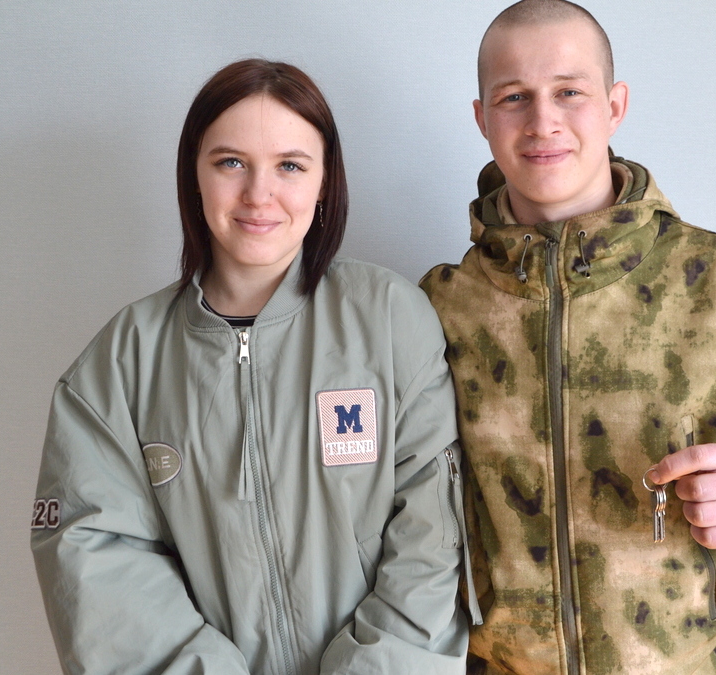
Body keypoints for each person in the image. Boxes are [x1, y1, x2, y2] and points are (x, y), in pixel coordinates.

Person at [419, 2, 716, 673]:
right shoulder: (437, 306)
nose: (543, 121)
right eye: (514, 98)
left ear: (615, 105)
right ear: (482, 118)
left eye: (570, 91)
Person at [31, 58, 476, 674]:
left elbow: (434, 536)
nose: (259, 194)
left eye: (290, 165)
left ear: (325, 182)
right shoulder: (120, 364)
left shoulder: (391, 317)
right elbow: (96, 565)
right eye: (231, 162)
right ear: (194, 175)